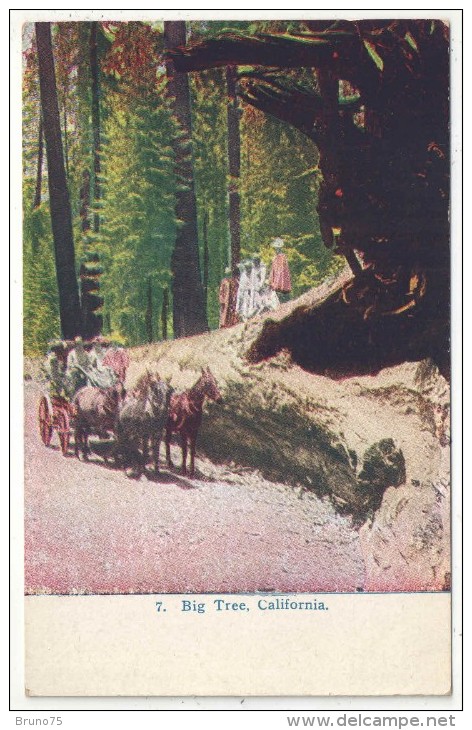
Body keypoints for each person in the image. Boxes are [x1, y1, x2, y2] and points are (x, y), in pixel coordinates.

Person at [269, 237, 292, 304]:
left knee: (284, 293)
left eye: (278, 248)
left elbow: (283, 270)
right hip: (276, 279)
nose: (276, 249)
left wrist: (279, 280)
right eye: (275, 248)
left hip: (282, 279)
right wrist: (271, 280)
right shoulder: (274, 258)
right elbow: (273, 270)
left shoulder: (283, 257)